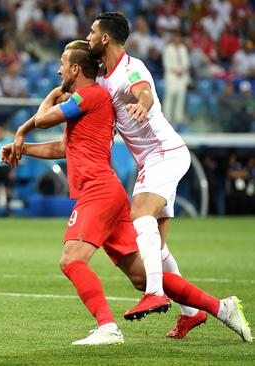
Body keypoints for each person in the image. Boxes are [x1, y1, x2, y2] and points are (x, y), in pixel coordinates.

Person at [5, 40, 252, 346]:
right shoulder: (91, 101)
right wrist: (23, 149)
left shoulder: (90, 94)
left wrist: (35, 116)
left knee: (71, 260)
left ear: (76, 68)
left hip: (98, 190)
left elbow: (43, 120)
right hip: (108, 192)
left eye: (62, 63)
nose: (58, 69)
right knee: (141, 277)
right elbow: (62, 147)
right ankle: (221, 308)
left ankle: (107, 327)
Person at [86, 12, 203, 336]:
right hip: (153, 160)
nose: (90, 36)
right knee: (159, 247)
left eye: (93, 32)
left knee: (140, 214)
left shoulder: (131, 68)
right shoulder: (103, 75)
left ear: (105, 38)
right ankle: (192, 313)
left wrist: (143, 104)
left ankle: (154, 293)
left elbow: (144, 92)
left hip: (164, 154)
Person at [162, 30, 189, 126]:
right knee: (170, 95)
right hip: (171, 75)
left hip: (182, 76)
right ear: (173, 38)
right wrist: (176, 70)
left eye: (179, 37)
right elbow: (166, 64)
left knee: (181, 96)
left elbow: (186, 62)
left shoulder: (183, 48)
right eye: (175, 37)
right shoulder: (168, 48)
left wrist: (182, 70)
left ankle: (179, 117)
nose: (177, 39)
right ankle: (167, 116)